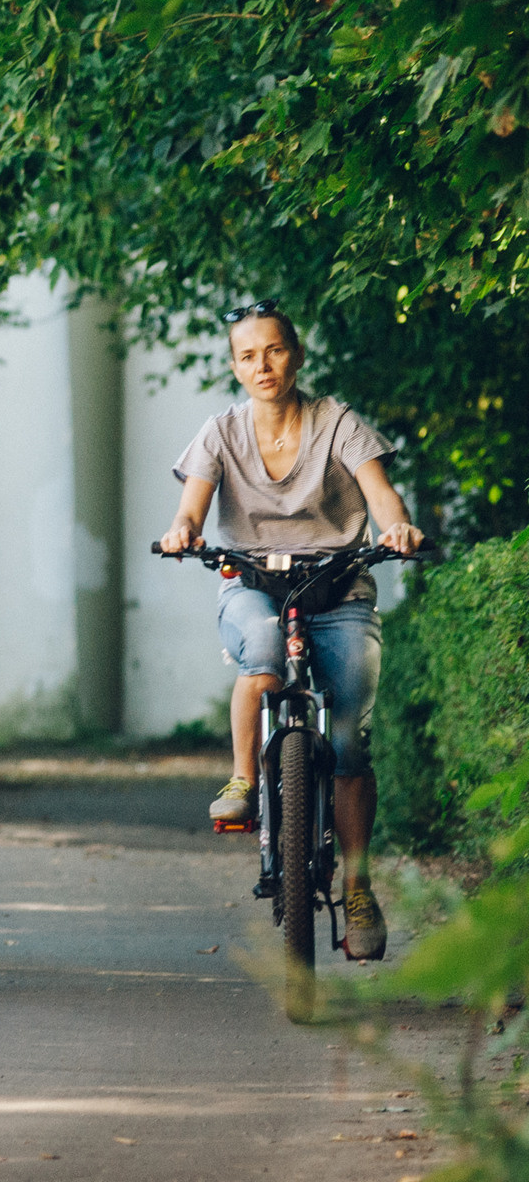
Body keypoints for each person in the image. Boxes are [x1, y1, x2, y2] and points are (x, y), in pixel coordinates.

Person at [156, 300, 424, 962]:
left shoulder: (337, 423)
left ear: (296, 356)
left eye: (274, 350)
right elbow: (191, 508)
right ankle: (243, 781)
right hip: (253, 585)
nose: (263, 365)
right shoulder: (220, 433)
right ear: (235, 367)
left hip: (339, 589)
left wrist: (395, 525)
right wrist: (183, 530)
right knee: (265, 650)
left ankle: (357, 888)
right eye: (248, 355)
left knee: (352, 743)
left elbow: (380, 493)